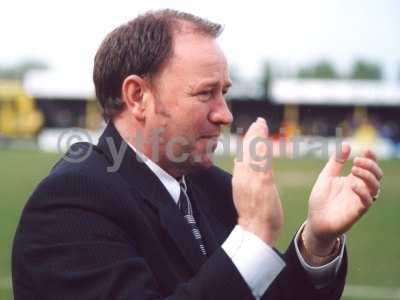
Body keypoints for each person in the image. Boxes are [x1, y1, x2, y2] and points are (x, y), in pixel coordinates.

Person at [12, 9, 383, 300]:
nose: (225, 113)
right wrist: (253, 234)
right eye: (206, 93)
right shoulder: (70, 203)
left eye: (224, 92)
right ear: (138, 96)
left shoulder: (215, 188)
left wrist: (316, 243)